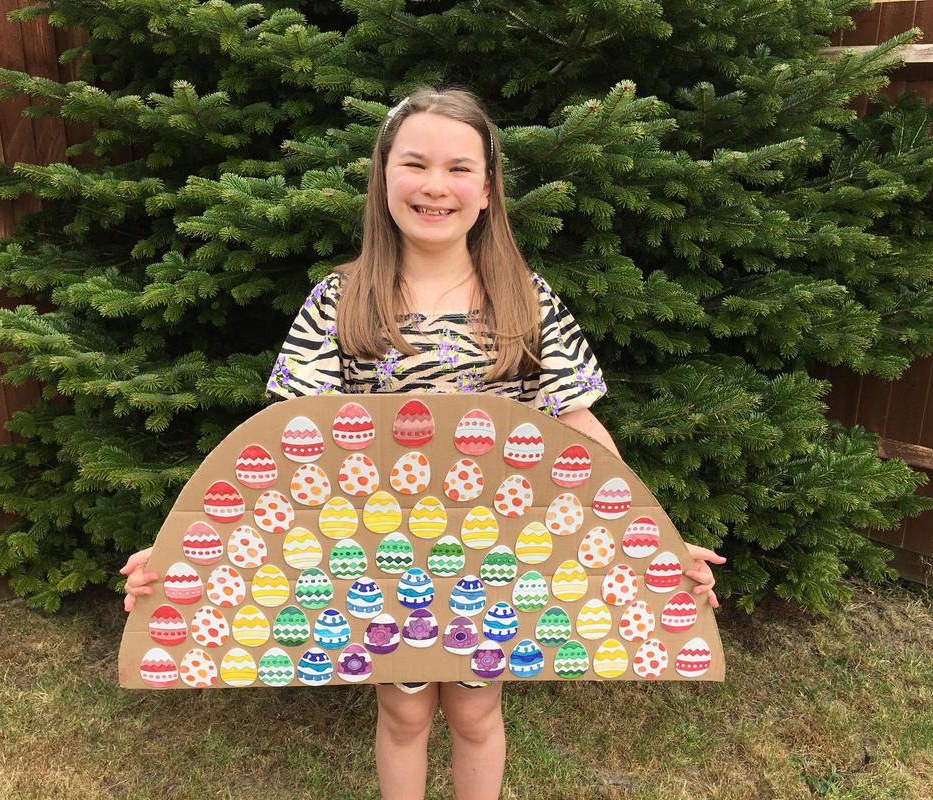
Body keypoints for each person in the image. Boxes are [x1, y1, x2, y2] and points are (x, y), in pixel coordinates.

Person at [121, 86, 725, 800]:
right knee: (403, 710)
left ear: (487, 190)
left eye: (458, 168)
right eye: (414, 164)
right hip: (377, 557)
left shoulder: (526, 301)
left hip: (495, 555)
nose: (434, 185)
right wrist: (185, 550)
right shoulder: (338, 301)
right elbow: (285, 447)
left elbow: (581, 434)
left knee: (475, 710)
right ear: (382, 177)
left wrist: (649, 537)